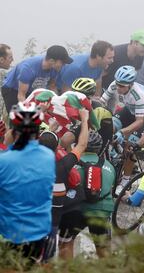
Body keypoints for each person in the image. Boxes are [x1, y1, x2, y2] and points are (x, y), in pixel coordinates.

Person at [0, 102, 55, 263]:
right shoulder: (48, 157)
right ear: (38, 132)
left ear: (13, 131)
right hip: (38, 232)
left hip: (9, 232)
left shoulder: (4, 160)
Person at [39, 109, 89, 259]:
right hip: (57, 215)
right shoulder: (63, 164)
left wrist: (48, 128)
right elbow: (81, 145)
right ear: (56, 148)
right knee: (55, 250)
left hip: (37, 214)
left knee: (35, 255)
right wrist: (84, 120)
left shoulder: (30, 162)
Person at [58, 130, 116, 259]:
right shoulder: (109, 166)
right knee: (103, 247)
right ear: (99, 147)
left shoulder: (71, 163)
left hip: (75, 210)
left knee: (65, 244)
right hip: (101, 210)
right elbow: (110, 189)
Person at [1, 45, 72, 113]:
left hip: (30, 90)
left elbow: (52, 86)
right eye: (62, 62)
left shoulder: (55, 69)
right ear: (52, 61)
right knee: (19, 119)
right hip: (13, 89)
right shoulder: (28, 68)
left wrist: (58, 103)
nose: (64, 65)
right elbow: (21, 96)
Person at [71, 77, 113, 155]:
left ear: (87, 97)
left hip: (102, 135)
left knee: (98, 157)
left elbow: (88, 131)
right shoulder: (74, 104)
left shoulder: (98, 110)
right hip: (88, 134)